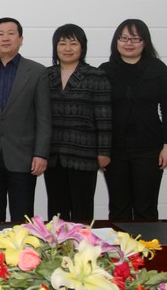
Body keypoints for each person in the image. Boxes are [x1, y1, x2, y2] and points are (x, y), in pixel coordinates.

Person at [99, 19, 167, 221]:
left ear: (145, 42)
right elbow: (97, 113)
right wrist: (100, 151)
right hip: (114, 151)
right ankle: (120, 243)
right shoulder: (105, 70)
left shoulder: (158, 69)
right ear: (116, 41)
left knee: (146, 208)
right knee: (119, 208)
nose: (128, 43)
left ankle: (147, 243)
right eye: (123, 38)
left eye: (135, 39)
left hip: (150, 150)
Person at [0, 17, 51, 223]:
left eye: (11, 33)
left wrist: (41, 154)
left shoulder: (37, 72)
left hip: (23, 157)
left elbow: (44, 117)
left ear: (21, 39)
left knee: (22, 219)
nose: (5, 38)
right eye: (0, 34)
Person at [45, 24, 112, 221]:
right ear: (55, 47)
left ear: (82, 47)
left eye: (73, 43)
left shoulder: (96, 76)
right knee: (56, 213)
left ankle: (82, 243)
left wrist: (104, 152)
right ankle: (56, 242)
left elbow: (104, 116)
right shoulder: (45, 75)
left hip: (84, 154)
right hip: (53, 155)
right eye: (62, 43)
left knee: (82, 211)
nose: (67, 48)